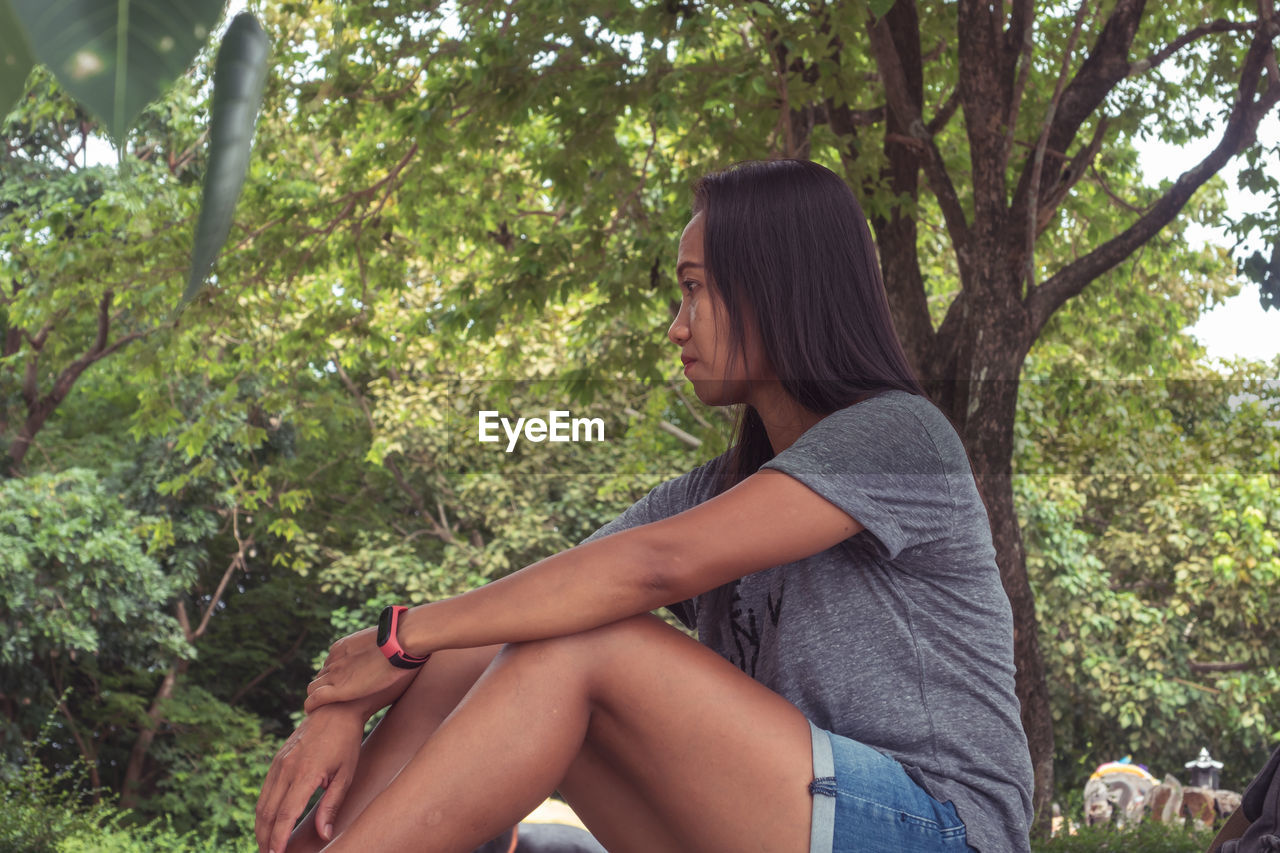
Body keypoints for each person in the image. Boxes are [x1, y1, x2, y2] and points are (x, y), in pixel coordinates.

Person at [254, 158, 1034, 853]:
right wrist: (345, 701)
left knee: (585, 640)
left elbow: (646, 569)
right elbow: (518, 615)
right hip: (798, 818)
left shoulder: (900, 437)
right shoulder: (714, 491)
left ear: (777, 287)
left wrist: (400, 636)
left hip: (940, 829)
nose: (676, 326)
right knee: (536, 634)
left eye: (695, 289)